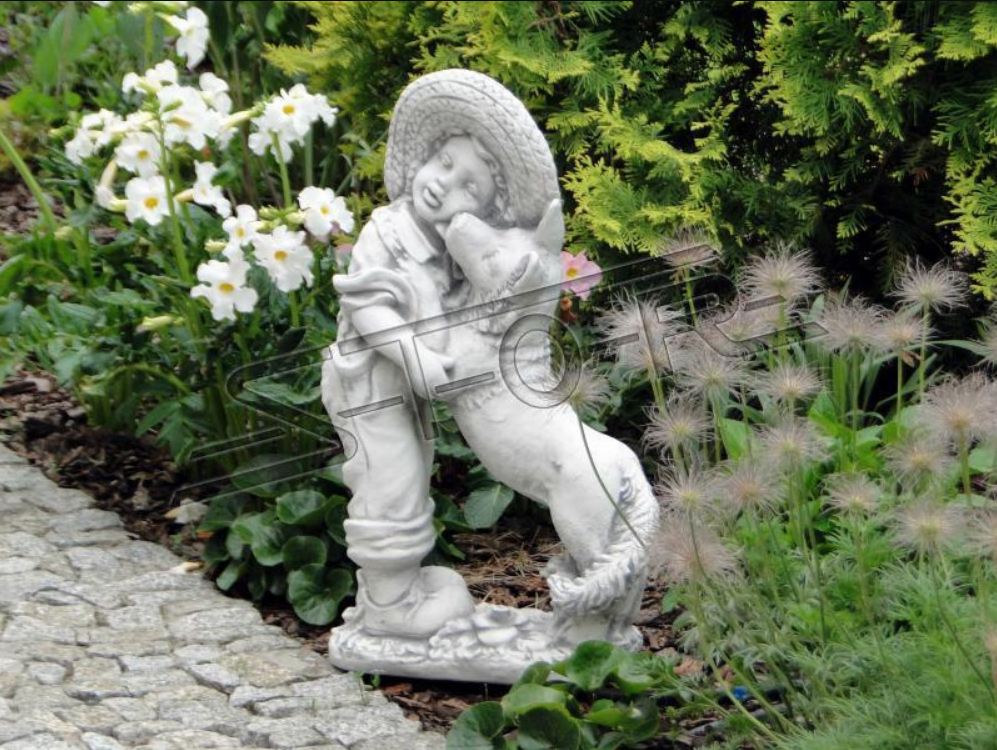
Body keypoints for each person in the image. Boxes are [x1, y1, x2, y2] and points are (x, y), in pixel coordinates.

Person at [321, 69, 560, 638]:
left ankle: (399, 588)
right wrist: (414, 356)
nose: (442, 184)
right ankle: (387, 605)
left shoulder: (449, 249)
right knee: (389, 479)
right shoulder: (388, 231)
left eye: (467, 188)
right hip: (368, 385)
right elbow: (368, 309)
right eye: (444, 163)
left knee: (412, 471)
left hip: (406, 391)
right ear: (426, 155)